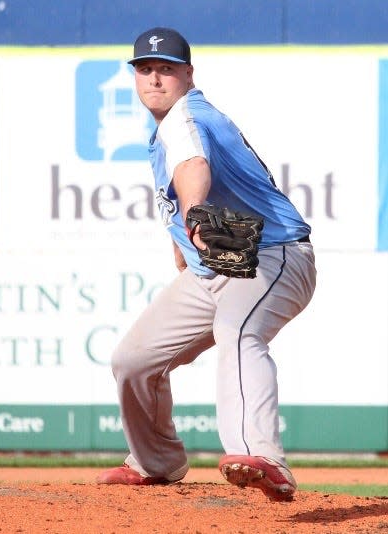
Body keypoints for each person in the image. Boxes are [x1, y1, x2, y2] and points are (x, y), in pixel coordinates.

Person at [97, 27, 316, 502]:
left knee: (238, 331)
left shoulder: (185, 118)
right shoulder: (163, 125)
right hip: (214, 264)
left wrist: (194, 212)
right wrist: (182, 240)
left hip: (274, 254)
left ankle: (264, 458)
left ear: (188, 75)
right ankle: (156, 461)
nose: (155, 78)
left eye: (167, 69)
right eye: (145, 69)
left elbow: (194, 167)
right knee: (133, 361)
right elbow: (180, 190)